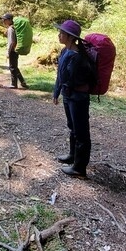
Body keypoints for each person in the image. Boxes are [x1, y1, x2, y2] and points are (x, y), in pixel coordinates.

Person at [53, 19, 95, 178]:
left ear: (71, 37)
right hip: (68, 95)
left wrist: (64, 88)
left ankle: (79, 168)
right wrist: (56, 92)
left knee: (81, 131)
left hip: (78, 97)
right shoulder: (65, 51)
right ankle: (72, 155)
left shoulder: (78, 56)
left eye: (62, 33)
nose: (59, 35)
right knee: (72, 126)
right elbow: (60, 75)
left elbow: (69, 77)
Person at [0, 13, 28, 89]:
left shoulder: (10, 29)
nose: (3, 21)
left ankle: (13, 84)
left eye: (5, 20)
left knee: (12, 67)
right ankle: (23, 82)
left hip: (12, 49)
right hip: (15, 49)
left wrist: (8, 52)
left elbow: (11, 42)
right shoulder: (14, 28)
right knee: (15, 67)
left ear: (9, 20)